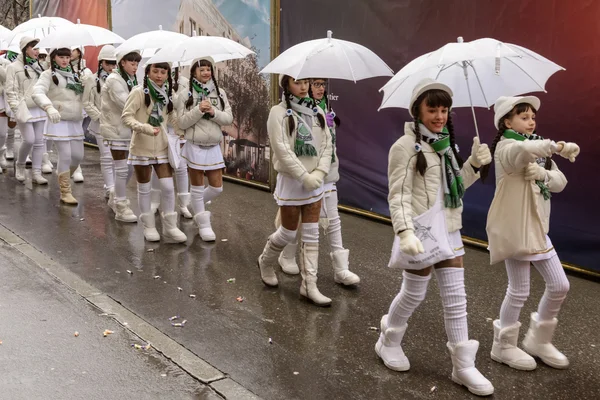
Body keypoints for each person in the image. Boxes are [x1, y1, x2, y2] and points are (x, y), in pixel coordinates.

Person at [376, 78, 493, 396]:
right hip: (422, 231)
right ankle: (388, 339)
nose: (439, 115)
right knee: (414, 293)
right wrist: (404, 232)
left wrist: (473, 164)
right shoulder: (404, 148)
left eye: (444, 109)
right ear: (417, 110)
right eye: (433, 109)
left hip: (450, 229)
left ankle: (463, 366)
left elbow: (455, 188)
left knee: (456, 299)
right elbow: (397, 196)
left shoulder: (446, 144)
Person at [483, 96, 579, 371]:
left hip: (537, 228)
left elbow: (560, 182)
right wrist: (557, 147)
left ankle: (539, 340)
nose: (531, 121)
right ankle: (503, 346)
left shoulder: (536, 147)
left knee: (560, 285)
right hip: (515, 228)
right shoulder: (506, 147)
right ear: (506, 121)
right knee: (519, 290)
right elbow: (522, 153)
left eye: (532, 116)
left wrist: (543, 174)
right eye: (523, 116)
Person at [256, 74, 332, 306]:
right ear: (286, 85)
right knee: (288, 232)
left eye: (306, 82)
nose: (303, 87)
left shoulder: (317, 111)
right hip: (292, 181)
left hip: (314, 183)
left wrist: (319, 173)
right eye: (297, 82)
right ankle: (266, 261)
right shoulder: (277, 113)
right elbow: (281, 149)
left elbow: (327, 144)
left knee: (311, 234)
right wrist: (303, 176)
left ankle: (309, 285)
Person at [278, 78, 359, 286]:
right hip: (302, 176)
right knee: (294, 223)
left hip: (327, 174)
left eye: (322, 84)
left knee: (333, 220)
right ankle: (286, 255)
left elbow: (328, 147)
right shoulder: (288, 112)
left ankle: (341, 269)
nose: (319, 88)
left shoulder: (325, 110)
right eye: (315, 83)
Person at [121, 62, 186, 243]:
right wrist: (144, 127)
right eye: (155, 71)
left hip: (162, 146)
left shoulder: (168, 93)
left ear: (167, 74)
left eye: (163, 72)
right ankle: (149, 226)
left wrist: (180, 131)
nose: (159, 75)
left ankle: (170, 227)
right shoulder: (139, 92)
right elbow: (126, 116)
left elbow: (170, 116)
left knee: (167, 186)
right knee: (144, 188)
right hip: (142, 145)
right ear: (148, 72)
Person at [176, 57, 232, 241]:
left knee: (217, 188)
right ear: (193, 72)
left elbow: (228, 119)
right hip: (194, 146)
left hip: (214, 146)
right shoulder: (186, 94)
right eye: (202, 70)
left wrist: (213, 112)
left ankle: (194, 202)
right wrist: (199, 109)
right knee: (198, 187)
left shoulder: (220, 93)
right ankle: (203, 224)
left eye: (209, 69)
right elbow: (182, 122)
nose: (206, 72)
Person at [32, 47, 85, 204]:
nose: (65, 60)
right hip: (58, 119)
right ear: (53, 58)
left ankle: (63, 174)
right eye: (61, 57)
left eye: (67, 57)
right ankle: (65, 191)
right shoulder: (47, 74)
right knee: (66, 155)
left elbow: (85, 95)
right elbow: (37, 92)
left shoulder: (76, 74)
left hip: (75, 119)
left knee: (77, 156)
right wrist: (49, 107)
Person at [99, 50, 141, 222]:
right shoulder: (114, 79)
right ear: (122, 62)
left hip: (128, 129)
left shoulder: (131, 79)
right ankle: (121, 207)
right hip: (115, 128)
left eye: (137, 64)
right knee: (122, 168)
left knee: (129, 167)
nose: (135, 67)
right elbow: (126, 103)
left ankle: (115, 195)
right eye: (132, 63)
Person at [5, 37, 48, 184]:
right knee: (29, 139)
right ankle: (20, 165)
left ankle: (37, 172)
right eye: (34, 48)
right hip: (24, 109)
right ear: (25, 49)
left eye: (38, 49)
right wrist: (16, 109)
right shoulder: (13, 67)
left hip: (39, 108)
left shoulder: (39, 66)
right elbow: (10, 90)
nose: (37, 52)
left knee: (39, 142)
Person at [82, 45, 117, 201]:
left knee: (119, 157)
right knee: (106, 156)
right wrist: (100, 117)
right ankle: (110, 187)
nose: (110, 66)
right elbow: (87, 102)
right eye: (108, 63)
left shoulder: (120, 80)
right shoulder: (92, 79)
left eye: (113, 63)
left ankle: (117, 186)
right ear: (101, 62)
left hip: (118, 124)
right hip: (100, 124)